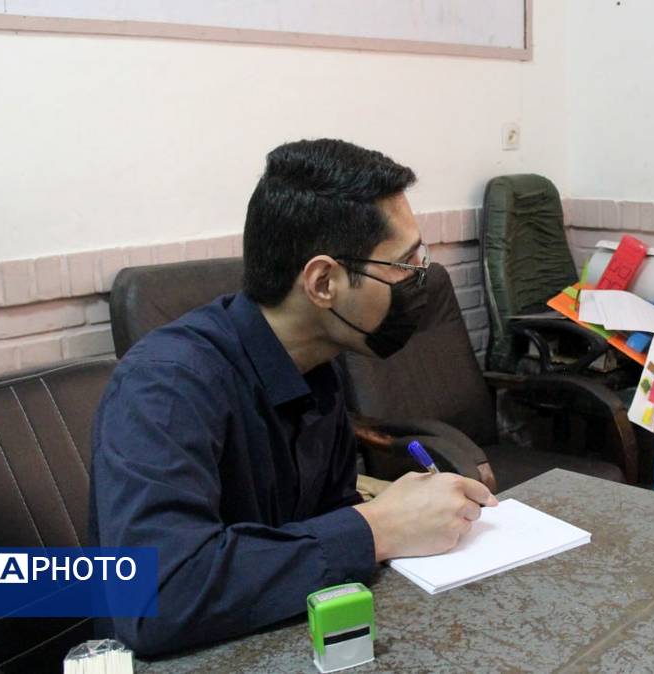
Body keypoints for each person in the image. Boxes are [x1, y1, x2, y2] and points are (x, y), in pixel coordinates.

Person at [90, 139, 498, 656]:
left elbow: (321, 528)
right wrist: (377, 528)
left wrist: (405, 523)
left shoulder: (316, 367)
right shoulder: (165, 385)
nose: (421, 279)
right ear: (323, 282)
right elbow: (156, 596)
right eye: (403, 264)